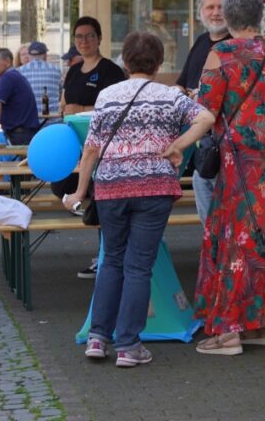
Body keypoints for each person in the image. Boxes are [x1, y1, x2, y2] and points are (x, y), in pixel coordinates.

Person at [63, 31, 214, 367]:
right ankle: (129, 345)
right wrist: (178, 145)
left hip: (111, 189)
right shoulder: (170, 96)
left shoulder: (106, 96)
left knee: (110, 260)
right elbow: (206, 118)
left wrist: (78, 191)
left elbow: (91, 149)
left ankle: (98, 338)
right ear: (159, 63)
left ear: (125, 61)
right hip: (154, 189)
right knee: (138, 266)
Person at [193, 0, 265, 356]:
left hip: (245, 158)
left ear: (228, 17)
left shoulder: (221, 53)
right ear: (260, 16)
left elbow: (207, 111)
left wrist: (178, 145)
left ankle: (229, 333)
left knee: (238, 240)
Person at [59, 16, 126, 279]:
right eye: (78, 37)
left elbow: (118, 108)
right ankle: (101, 239)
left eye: (89, 36)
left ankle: (106, 256)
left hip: (105, 148)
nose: (83, 41)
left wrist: (84, 110)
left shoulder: (110, 71)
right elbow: (65, 103)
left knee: (102, 197)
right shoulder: (74, 71)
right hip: (74, 146)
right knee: (60, 184)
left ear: (99, 39)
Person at [175, 0, 231, 224]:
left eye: (222, 6)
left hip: (228, 146)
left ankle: (223, 257)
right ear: (201, 12)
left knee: (228, 217)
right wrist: (177, 92)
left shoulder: (235, 45)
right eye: (210, 7)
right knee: (207, 211)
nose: (216, 12)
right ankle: (215, 255)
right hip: (203, 147)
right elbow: (182, 82)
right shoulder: (200, 42)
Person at [16, 41, 62, 120]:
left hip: (29, 121)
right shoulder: (56, 70)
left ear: (29, 55)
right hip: (53, 121)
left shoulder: (19, 72)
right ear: (45, 55)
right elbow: (60, 93)